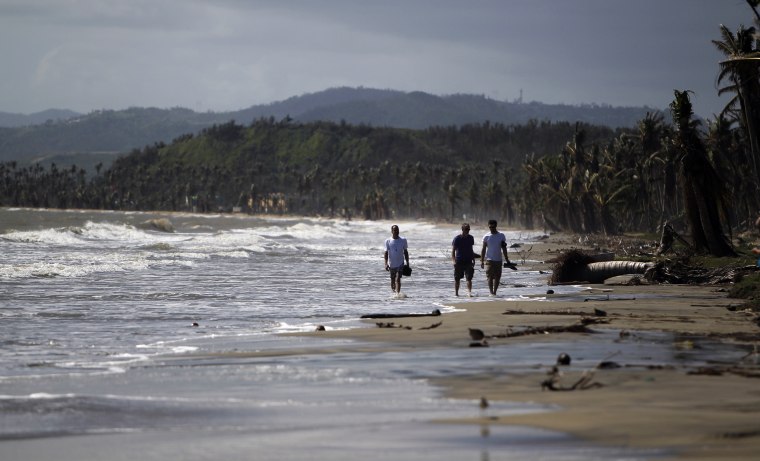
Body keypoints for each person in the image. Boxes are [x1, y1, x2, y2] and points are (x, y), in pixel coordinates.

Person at [480, 219, 511, 296]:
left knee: (497, 277)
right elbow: (483, 249)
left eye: (493, 227)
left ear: (496, 226)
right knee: (490, 277)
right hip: (489, 260)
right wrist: (482, 261)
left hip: (498, 260)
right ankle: (491, 293)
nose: (491, 228)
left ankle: (495, 292)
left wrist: (507, 259)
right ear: (488, 226)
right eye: (490, 227)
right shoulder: (486, 236)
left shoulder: (501, 236)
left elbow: (504, 248)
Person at [451, 222, 475, 296]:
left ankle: (469, 293)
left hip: (468, 261)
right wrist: (454, 261)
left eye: (468, 229)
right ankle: (456, 294)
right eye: (466, 229)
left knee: (469, 278)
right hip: (459, 261)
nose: (468, 230)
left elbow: (471, 249)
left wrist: (473, 258)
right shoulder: (457, 238)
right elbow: (453, 251)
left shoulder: (471, 238)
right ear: (462, 229)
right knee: (457, 279)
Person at [384, 224, 409, 294]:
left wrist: (407, 262)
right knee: (392, 280)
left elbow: (405, 252)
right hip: (392, 264)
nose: (396, 231)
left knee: (398, 279)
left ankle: (397, 294)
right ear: (391, 231)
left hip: (400, 264)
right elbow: (386, 253)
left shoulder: (403, 240)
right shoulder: (388, 241)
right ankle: (394, 293)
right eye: (394, 230)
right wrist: (386, 264)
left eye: (397, 230)